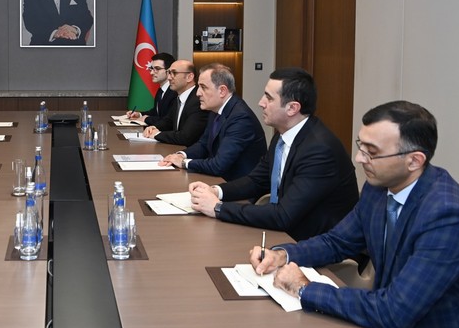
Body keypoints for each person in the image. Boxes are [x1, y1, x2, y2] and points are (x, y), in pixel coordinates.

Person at [249, 101, 459, 328]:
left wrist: (305, 288)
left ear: (414, 160)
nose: (359, 158)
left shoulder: (448, 216)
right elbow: (337, 242)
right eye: (361, 146)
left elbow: (394, 312)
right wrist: (282, 255)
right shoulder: (379, 188)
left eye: (372, 151)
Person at [188, 67, 359, 241]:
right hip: (288, 233)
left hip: (315, 243)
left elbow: (283, 216)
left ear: (292, 108)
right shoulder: (282, 136)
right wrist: (216, 191)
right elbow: (256, 181)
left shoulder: (320, 150)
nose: (260, 103)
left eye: (269, 98)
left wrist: (218, 208)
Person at [159, 63, 265, 181]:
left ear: (222, 91)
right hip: (219, 179)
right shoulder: (215, 109)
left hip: (237, 185)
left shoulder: (241, 118)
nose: (198, 93)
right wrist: (180, 155)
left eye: (203, 87)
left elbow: (218, 165)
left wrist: (184, 162)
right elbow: (203, 144)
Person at [142, 59, 208, 146]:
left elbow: (186, 137)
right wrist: (154, 127)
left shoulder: (198, 101)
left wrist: (157, 134)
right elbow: (168, 121)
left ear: (189, 77)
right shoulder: (179, 98)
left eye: (174, 73)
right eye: (169, 73)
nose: (169, 78)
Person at [127, 52, 177, 127]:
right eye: (151, 69)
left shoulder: (175, 92)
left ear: (169, 70)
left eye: (157, 69)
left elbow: (168, 121)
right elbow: (156, 112)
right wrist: (139, 114)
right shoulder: (161, 90)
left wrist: (146, 119)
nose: (152, 73)